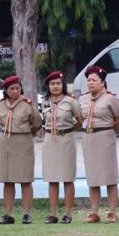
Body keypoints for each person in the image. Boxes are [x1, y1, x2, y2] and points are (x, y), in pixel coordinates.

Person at [78, 66, 119, 223]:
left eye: (94, 80)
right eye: (89, 80)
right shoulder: (82, 99)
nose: (90, 83)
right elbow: (79, 118)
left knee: (109, 175)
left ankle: (112, 212)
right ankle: (94, 212)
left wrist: (109, 130)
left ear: (102, 82)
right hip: (88, 137)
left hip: (105, 136)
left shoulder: (110, 98)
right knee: (93, 176)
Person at [0, 76, 42, 225]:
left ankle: (27, 214)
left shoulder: (27, 104)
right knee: (7, 179)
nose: (15, 91)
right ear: (6, 91)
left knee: (25, 179)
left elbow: (37, 123)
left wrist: (27, 134)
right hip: (5, 142)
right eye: (12, 89)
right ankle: (8, 214)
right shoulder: (1, 104)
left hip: (22, 141)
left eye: (17, 88)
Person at [41, 71, 82, 224]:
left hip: (66, 139)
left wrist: (69, 129)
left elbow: (79, 120)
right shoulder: (45, 101)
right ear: (48, 86)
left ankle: (68, 213)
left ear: (62, 85)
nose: (55, 86)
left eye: (58, 83)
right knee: (52, 178)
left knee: (67, 177)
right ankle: (53, 214)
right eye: (52, 84)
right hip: (49, 140)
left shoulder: (70, 101)